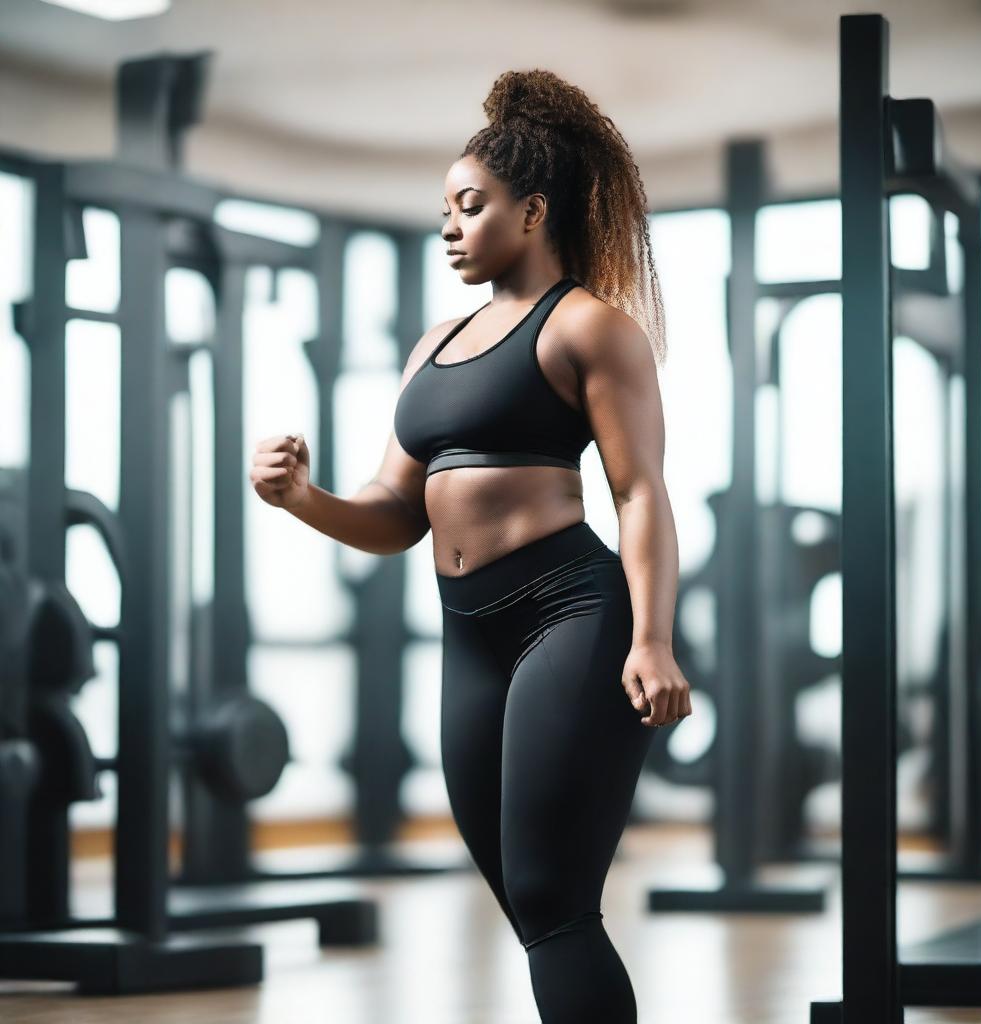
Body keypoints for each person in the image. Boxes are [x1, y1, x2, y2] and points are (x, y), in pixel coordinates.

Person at [250, 68, 692, 1024]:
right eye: (444, 209)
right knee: (529, 900)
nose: (449, 226)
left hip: (569, 613)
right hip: (469, 635)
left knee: (550, 897)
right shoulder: (432, 346)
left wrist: (650, 638)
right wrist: (301, 499)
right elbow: (393, 511)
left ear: (532, 213)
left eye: (469, 206)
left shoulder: (589, 328)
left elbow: (641, 491)